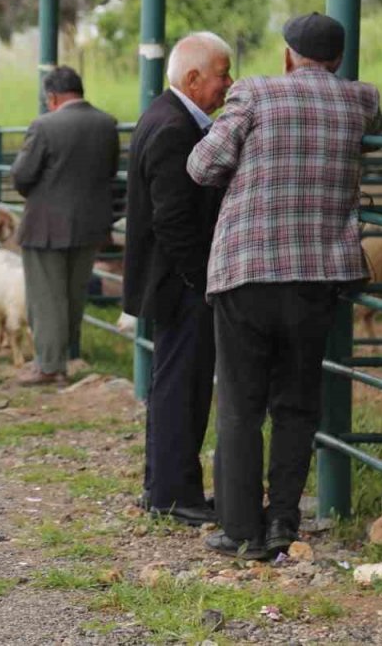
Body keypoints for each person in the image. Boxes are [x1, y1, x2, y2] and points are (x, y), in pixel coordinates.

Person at [187, 13, 382, 559]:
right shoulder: (361, 100)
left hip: (247, 269)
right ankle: (282, 523)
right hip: (317, 275)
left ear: (287, 56)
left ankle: (240, 528)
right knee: (297, 405)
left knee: (241, 404)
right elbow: (376, 123)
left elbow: (202, 166)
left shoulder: (255, 93)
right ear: (338, 59)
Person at [124, 32, 233, 526]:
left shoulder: (164, 116)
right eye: (222, 75)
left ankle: (167, 487)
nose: (228, 84)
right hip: (179, 283)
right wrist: (201, 278)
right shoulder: (175, 129)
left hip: (170, 281)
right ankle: (173, 494)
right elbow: (172, 220)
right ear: (193, 79)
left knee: (176, 385)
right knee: (181, 389)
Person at [11, 65, 120, 386]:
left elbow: (22, 175)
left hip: (45, 226)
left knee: (46, 297)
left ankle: (49, 365)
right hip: (89, 225)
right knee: (73, 294)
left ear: (52, 97)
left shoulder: (43, 126)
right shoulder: (107, 124)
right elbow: (111, 171)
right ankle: (65, 356)